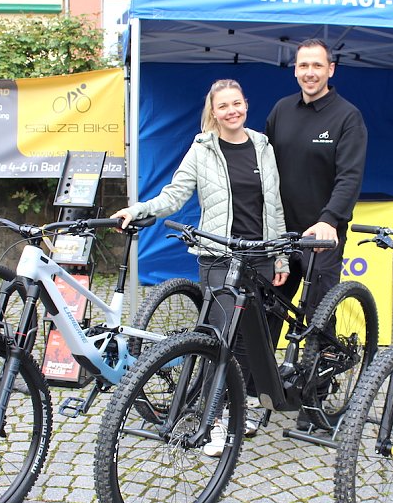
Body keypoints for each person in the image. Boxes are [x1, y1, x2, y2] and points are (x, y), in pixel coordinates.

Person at [111, 79, 289, 456]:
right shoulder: (202, 148)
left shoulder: (261, 146)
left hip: (257, 253)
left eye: (237, 103)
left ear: (245, 104)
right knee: (218, 339)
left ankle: (241, 405)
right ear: (214, 111)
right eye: (223, 106)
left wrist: (280, 256)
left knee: (247, 339)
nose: (232, 111)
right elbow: (174, 195)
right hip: (219, 255)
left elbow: (274, 205)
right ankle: (215, 419)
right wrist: (138, 210)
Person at [265, 38, 368, 430]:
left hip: (320, 236)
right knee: (266, 309)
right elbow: (265, 168)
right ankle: (261, 389)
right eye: (303, 65)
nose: (309, 72)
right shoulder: (280, 111)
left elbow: (349, 177)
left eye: (317, 65)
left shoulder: (347, 117)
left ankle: (314, 403)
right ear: (295, 69)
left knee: (317, 319)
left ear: (330, 70)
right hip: (279, 235)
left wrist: (329, 219)